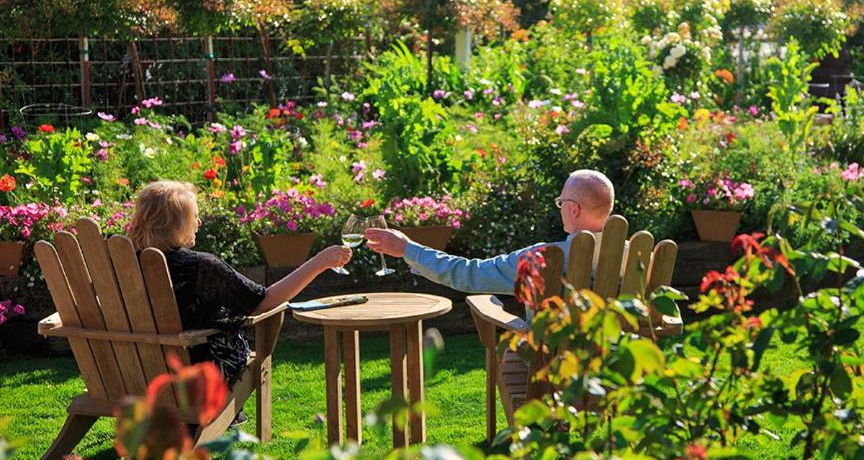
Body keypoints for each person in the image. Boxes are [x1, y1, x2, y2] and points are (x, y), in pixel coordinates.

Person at [127, 181, 351, 391]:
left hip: (134, 371)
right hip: (195, 373)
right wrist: (320, 262)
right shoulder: (200, 267)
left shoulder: (122, 264)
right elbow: (265, 301)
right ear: (176, 224)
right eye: (194, 217)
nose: (199, 223)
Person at [364, 169, 615, 294]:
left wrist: (408, 248)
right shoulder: (640, 257)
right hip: (620, 372)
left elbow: (470, 274)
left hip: (553, 371)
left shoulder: (545, 258)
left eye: (561, 203)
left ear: (573, 210)